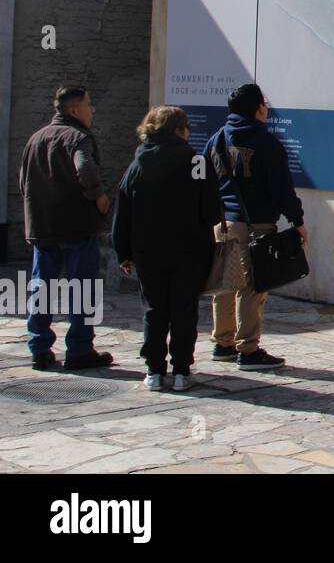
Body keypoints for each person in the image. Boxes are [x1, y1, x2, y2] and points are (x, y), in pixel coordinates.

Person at [112, 106, 222, 391]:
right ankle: (182, 371)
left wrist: (123, 251)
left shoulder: (138, 164)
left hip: (149, 251)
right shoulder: (195, 162)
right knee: (184, 309)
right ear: (179, 130)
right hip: (190, 250)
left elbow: (122, 212)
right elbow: (211, 211)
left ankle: (153, 371)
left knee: (154, 309)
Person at [203, 83, 308, 370]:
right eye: (264, 103)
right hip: (255, 224)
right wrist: (297, 221)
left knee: (224, 284)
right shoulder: (266, 142)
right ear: (258, 108)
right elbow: (282, 188)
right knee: (253, 286)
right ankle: (248, 349)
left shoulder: (216, 140)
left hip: (223, 222)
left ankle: (222, 342)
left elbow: (205, 183)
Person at [19, 85, 114, 370]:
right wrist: (99, 197)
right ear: (75, 109)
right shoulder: (78, 137)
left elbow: (23, 183)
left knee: (42, 288)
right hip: (76, 226)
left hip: (43, 227)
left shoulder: (36, 138)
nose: (92, 109)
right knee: (82, 289)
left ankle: (39, 348)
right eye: (88, 104)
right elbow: (85, 169)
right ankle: (80, 350)